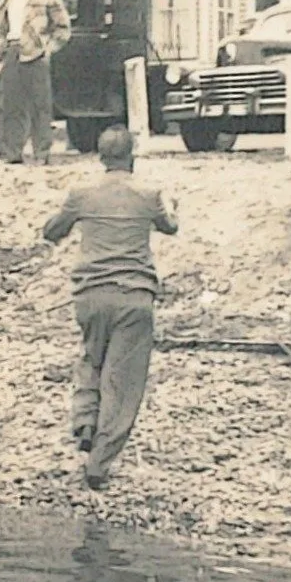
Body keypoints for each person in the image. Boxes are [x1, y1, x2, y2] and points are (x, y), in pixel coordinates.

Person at [42, 125, 178, 489]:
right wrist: (172, 207)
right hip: (134, 297)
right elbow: (171, 226)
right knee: (124, 381)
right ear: (132, 155)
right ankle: (99, 464)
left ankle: (85, 422)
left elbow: (51, 231)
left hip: (89, 295)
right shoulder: (149, 194)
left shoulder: (81, 194)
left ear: (100, 157)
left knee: (91, 357)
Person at [0, 0, 71, 163]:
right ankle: (12, 153)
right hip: (11, 51)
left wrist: (47, 48)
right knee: (12, 105)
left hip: (36, 53)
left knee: (40, 106)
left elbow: (63, 28)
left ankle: (42, 154)